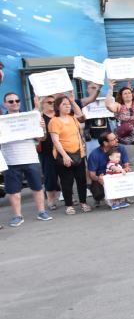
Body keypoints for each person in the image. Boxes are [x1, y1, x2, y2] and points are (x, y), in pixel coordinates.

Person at [0, 92, 53, 227]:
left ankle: (41, 212)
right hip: (10, 160)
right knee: (13, 191)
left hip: (30, 158)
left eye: (17, 100)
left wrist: (42, 128)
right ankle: (17, 216)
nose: (15, 103)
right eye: (11, 101)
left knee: (37, 187)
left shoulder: (29, 118)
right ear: (5, 103)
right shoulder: (2, 120)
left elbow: (41, 138)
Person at [48, 94, 91, 214]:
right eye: (64, 104)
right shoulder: (54, 121)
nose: (67, 106)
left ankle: (83, 202)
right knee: (67, 181)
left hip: (78, 153)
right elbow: (55, 141)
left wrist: (72, 101)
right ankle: (69, 205)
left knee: (81, 180)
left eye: (68, 104)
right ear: (57, 107)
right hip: (64, 155)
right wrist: (65, 156)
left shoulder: (72, 118)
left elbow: (81, 116)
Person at [86, 131, 131, 209]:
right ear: (105, 143)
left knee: (129, 175)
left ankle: (123, 196)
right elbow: (91, 174)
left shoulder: (121, 148)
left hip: (117, 176)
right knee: (98, 194)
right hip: (102, 178)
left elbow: (126, 165)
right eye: (113, 139)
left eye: (116, 138)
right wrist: (98, 178)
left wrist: (127, 169)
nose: (117, 140)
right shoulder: (94, 154)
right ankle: (99, 198)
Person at [35, 94, 60, 210]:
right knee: (50, 176)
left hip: (62, 150)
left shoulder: (59, 116)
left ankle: (67, 196)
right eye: (49, 102)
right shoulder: (39, 117)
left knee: (65, 175)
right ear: (42, 104)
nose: (52, 104)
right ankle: (50, 200)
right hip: (47, 151)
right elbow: (37, 136)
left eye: (54, 102)